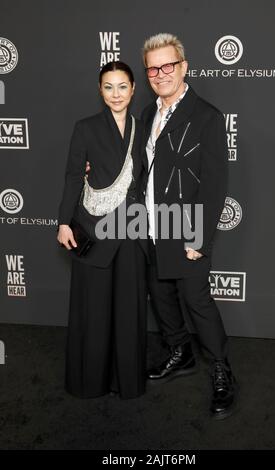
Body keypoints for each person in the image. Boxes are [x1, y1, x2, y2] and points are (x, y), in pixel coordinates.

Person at [141, 33, 237, 419]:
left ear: (184, 67)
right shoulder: (147, 113)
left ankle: (221, 370)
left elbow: (215, 185)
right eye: (153, 68)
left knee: (196, 300)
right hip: (147, 225)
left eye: (168, 66)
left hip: (185, 228)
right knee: (161, 296)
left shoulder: (207, 116)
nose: (160, 73)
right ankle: (180, 354)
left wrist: (197, 237)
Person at [57, 61, 147, 399]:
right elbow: (72, 175)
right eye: (108, 87)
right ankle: (89, 382)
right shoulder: (86, 127)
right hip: (94, 230)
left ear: (134, 88)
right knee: (93, 310)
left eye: (122, 86)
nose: (116, 94)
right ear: (100, 90)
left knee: (128, 310)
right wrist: (64, 221)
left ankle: (127, 382)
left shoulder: (145, 127)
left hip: (132, 231)